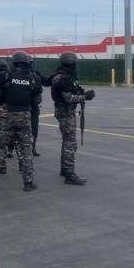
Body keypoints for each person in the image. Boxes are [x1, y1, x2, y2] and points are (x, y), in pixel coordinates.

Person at [0, 51, 42, 192]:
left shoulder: (5, 76)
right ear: (27, 62)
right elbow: (37, 100)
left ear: (13, 62)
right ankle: (28, 183)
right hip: (24, 116)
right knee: (26, 149)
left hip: (6, 115)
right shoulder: (33, 77)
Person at [51, 52, 95, 186]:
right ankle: (69, 174)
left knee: (67, 141)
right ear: (71, 63)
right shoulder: (63, 77)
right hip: (65, 111)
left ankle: (65, 169)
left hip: (64, 111)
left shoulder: (64, 75)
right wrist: (84, 97)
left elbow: (71, 90)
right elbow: (68, 98)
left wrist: (79, 91)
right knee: (70, 143)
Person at [28, 55, 51, 157]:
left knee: (34, 128)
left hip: (33, 105)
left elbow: (46, 81)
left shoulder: (35, 74)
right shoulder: (15, 74)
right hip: (23, 105)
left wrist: (54, 76)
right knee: (17, 127)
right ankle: (11, 149)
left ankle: (32, 148)